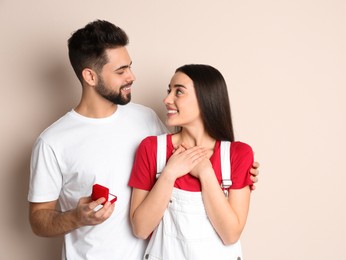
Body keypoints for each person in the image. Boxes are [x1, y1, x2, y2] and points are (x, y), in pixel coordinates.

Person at [27, 20, 260, 260]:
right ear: (90, 76)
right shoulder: (53, 141)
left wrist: (240, 170)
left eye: (129, 66)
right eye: (121, 71)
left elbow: (188, 152)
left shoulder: (145, 118)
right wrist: (77, 217)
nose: (132, 76)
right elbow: (38, 219)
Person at [129, 64, 254, 259]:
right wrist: (169, 174)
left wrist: (205, 172)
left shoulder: (238, 154)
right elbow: (141, 229)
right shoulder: (152, 148)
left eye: (178, 91)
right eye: (169, 91)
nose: (167, 99)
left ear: (206, 99)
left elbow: (230, 235)